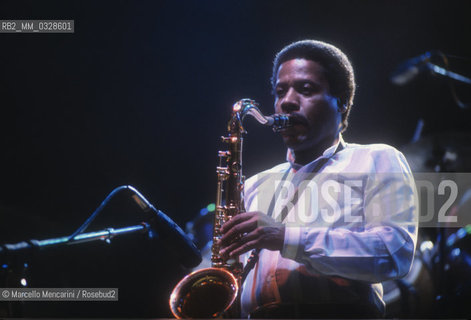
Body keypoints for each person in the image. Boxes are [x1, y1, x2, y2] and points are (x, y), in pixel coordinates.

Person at [219, 40, 418, 318]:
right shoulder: (254, 185)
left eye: (306, 89)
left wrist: (286, 237)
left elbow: (393, 253)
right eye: (280, 91)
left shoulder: (376, 159)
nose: (286, 101)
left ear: (342, 102)